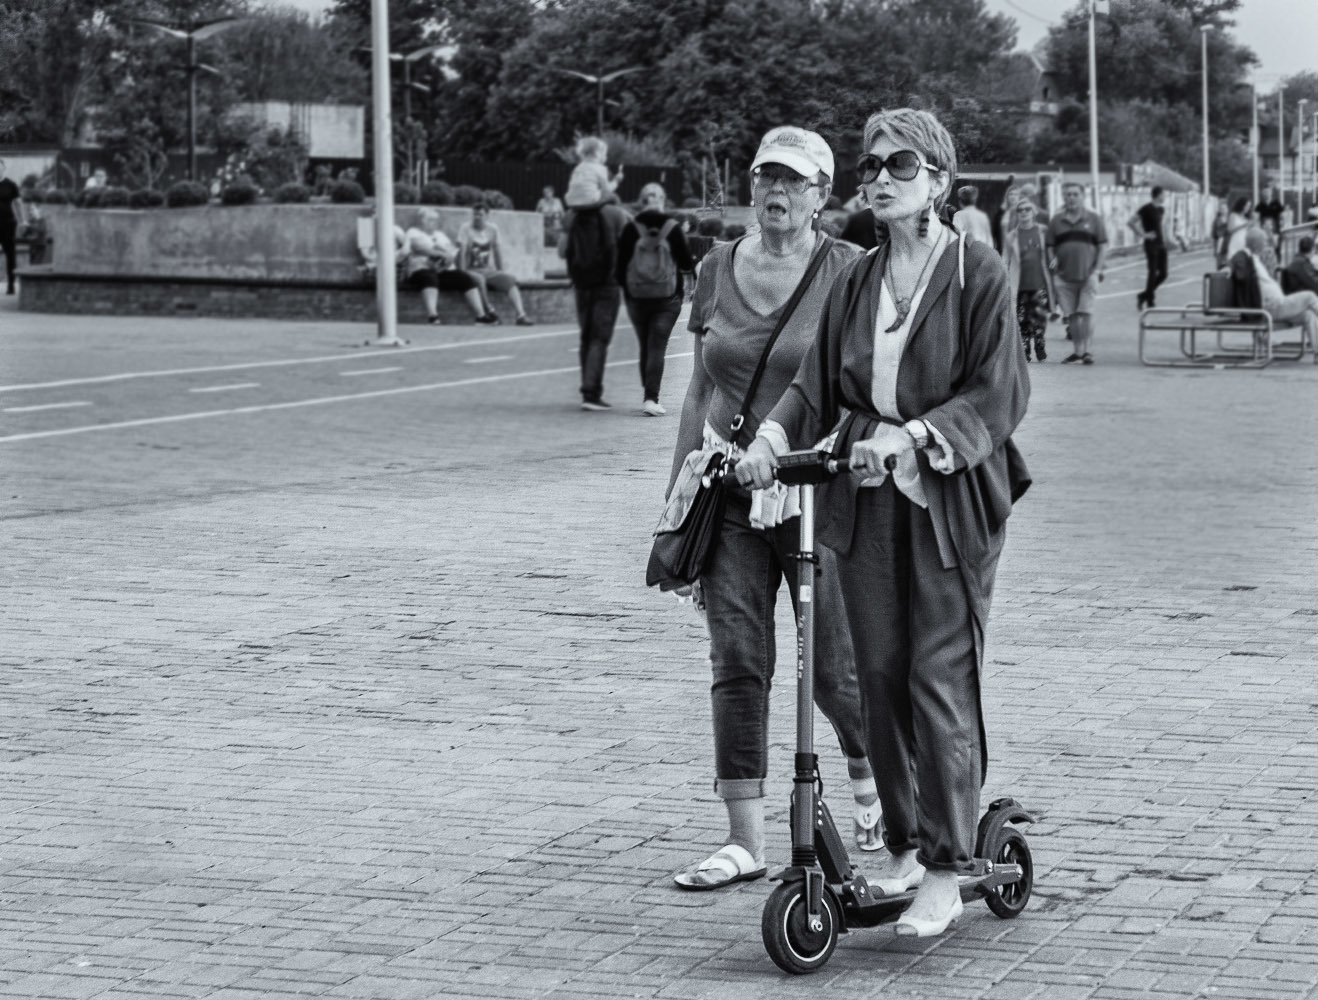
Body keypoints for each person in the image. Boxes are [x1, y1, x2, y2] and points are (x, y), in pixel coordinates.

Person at [737, 107, 1030, 938]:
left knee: (938, 675)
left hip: (948, 496)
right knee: (878, 673)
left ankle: (946, 864)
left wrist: (915, 435)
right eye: (870, 166)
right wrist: (767, 442)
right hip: (865, 494)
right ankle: (903, 845)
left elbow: (1001, 392)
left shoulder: (976, 270)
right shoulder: (858, 277)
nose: (880, 179)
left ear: (939, 179)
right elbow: (814, 384)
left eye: (900, 165)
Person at [666, 125, 880, 890]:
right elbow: (701, 386)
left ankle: (867, 767)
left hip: (813, 487)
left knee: (833, 670)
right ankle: (744, 839)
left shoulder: (849, 268)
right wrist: (676, 495)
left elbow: (866, 385)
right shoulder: (716, 267)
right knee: (737, 658)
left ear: (822, 195)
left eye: (793, 180)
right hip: (727, 488)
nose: (776, 192)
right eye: (766, 178)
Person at [615, 182, 695, 416]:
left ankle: (648, 393)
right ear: (662, 200)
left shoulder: (631, 229)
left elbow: (619, 267)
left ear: (642, 201)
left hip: (637, 298)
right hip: (667, 298)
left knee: (646, 345)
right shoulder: (672, 228)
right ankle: (651, 398)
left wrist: (629, 291)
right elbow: (686, 263)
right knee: (657, 346)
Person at [559, 197, 631, 411]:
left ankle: (587, 389)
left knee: (586, 337)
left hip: (581, 283)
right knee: (599, 338)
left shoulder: (572, 214)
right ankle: (591, 393)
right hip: (607, 284)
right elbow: (628, 249)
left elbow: (562, 251)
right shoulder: (617, 214)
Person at [1046, 182, 1107, 364]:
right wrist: (1053, 263)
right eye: (1068, 194)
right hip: (1064, 277)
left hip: (1088, 275)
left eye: (1075, 194)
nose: (1071, 198)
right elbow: (1050, 246)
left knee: (1085, 313)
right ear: (1063, 197)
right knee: (1072, 316)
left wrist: (1097, 270)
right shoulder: (1056, 221)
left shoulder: (1094, 219)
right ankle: (1078, 351)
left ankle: (1086, 351)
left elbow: (1102, 246)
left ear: (1082, 196)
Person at [402, 208, 496, 326]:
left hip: (441, 270)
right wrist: (442, 254)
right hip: (419, 270)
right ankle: (433, 316)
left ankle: (481, 316)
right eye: (430, 220)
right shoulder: (413, 232)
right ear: (421, 220)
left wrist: (447, 258)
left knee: (464, 278)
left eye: (435, 220)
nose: (433, 223)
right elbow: (419, 248)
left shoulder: (440, 235)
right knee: (429, 277)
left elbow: (451, 251)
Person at [1231, 227, 1318, 349]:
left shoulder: (1255, 258)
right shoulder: (1245, 257)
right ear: (1256, 244)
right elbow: (1236, 261)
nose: (1266, 244)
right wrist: (1228, 268)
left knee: (1308, 315)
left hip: (1277, 306)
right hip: (1272, 307)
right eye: (1264, 241)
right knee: (1310, 297)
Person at [458, 204, 534, 326]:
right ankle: (489, 311)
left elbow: (497, 251)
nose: (477, 217)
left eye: (480, 215)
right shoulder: (466, 228)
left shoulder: (493, 229)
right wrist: (462, 272)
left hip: (487, 270)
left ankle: (521, 315)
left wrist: (501, 271)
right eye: (475, 214)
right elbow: (462, 252)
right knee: (480, 279)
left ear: (487, 216)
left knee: (510, 280)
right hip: (471, 269)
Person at [1003, 200, 1054, 361]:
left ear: (1034, 212)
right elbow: (1005, 260)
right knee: (1022, 320)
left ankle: (1040, 344)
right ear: (1017, 214)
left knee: (1039, 318)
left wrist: (1056, 260)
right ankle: (1025, 349)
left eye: (1027, 209)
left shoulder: (1042, 231)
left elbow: (1053, 250)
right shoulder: (1011, 236)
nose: (1024, 212)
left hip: (1039, 283)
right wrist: (1004, 280)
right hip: (1020, 285)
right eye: (1020, 210)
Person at [1129, 186, 1168, 310]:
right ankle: (1150, 300)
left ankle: (1143, 295)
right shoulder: (1146, 208)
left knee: (1164, 274)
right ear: (1158, 195)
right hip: (1151, 244)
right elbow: (1130, 222)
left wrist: (1167, 240)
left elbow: (1161, 226)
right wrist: (1144, 235)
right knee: (1152, 272)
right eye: (1163, 194)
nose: (1165, 197)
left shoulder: (1161, 209)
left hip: (1161, 244)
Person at [564, 136, 623, 209]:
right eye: (604, 154)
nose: (605, 157)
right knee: (614, 197)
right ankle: (619, 214)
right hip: (590, 201)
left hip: (571, 202)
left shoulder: (577, 168)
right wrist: (616, 181)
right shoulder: (600, 168)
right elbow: (607, 190)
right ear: (597, 153)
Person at [0, 159, 24, 295]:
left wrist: (22, 221)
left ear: (3, 169)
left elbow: (19, 204)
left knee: (10, 254)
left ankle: (11, 285)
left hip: (7, 224)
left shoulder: (11, 185)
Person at [1211, 202, 1230, 269]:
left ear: (1227, 209)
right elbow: (1214, 235)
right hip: (1220, 243)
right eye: (1222, 208)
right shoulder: (1216, 220)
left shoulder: (1230, 219)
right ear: (1220, 210)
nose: (1224, 210)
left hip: (1229, 243)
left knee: (1229, 265)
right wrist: (1215, 249)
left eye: (1225, 208)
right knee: (1220, 265)